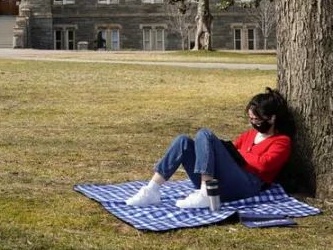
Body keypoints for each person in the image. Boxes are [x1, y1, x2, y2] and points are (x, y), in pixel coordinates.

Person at [125, 88, 293, 209]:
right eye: (250, 119)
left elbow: (263, 165)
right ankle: (152, 189)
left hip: (247, 185)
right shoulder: (248, 135)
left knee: (204, 134)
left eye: (257, 119)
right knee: (183, 141)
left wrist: (238, 154)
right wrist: (230, 153)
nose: (253, 123)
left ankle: (206, 192)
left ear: (271, 118)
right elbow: (229, 154)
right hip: (224, 180)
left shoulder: (281, 141)